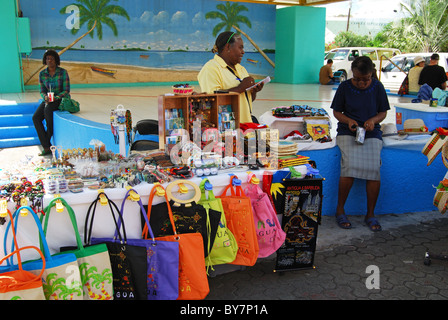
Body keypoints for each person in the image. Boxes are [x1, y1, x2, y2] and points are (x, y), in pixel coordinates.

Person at [331, 56, 390, 232]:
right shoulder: (344, 87)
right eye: (357, 79)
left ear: (372, 74)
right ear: (353, 74)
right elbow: (336, 112)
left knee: (374, 170)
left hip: (371, 133)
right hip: (348, 132)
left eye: (365, 79)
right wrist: (348, 121)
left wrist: (373, 120)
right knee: (348, 166)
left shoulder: (378, 87)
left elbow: (383, 112)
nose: (362, 83)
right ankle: (340, 210)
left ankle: (370, 214)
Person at [198, 31, 264, 123]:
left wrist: (253, 92)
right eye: (240, 48)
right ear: (228, 47)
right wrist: (241, 88)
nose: (243, 52)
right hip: (226, 127)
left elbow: (246, 100)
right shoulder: (210, 69)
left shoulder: (241, 69)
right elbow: (211, 101)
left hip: (246, 125)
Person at [33, 49, 70, 156]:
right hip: (48, 100)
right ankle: (47, 145)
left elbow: (66, 90)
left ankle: (46, 145)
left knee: (48, 110)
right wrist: (45, 97)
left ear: (56, 60)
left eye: (52, 59)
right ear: (45, 60)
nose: (50, 61)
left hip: (60, 99)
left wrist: (56, 97)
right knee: (35, 117)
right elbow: (42, 90)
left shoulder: (63, 72)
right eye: (48, 59)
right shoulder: (42, 74)